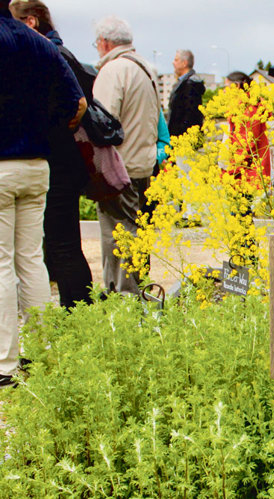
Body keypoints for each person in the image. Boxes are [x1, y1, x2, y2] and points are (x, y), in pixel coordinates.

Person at [1, 0, 86, 387]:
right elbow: (78, 103)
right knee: (32, 260)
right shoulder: (40, 43)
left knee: (2, 265)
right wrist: (46, 127)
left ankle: (5, 362)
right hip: (37, 163)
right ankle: (42, 350)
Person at [10, 0, 94, 309]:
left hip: (54, 160)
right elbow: (79, 103)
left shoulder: (43, 52)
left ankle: (78, 314)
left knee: (59, 246)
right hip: (60, 161)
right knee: (52, 248)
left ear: (30, 22)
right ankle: (75, 314)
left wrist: (51, 129)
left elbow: (79, 103)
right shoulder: (59, 52)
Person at [92, 16, 159, 294]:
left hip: (119, 170)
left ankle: (125, 301)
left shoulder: (113, 70)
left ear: (105, 42)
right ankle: (138, 295)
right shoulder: (146, 69)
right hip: (143, 165)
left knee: (119, 238)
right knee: (137, 235)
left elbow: (101, 123)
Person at [167, 49, 205, 137]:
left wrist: (178, 134)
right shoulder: (186, 82)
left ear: (184, 63)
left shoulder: (190, 84)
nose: (173, 63)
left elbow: (190, 115)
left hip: (184, 139)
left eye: (176, 60)